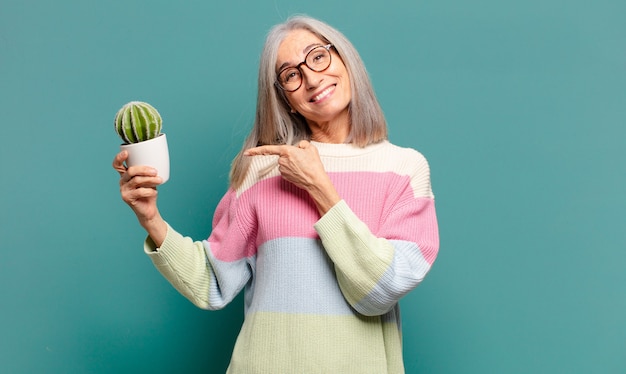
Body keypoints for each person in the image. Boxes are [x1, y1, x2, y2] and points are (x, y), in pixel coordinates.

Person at [113, 15, 439, 374]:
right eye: (291, 75)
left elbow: (380, 291)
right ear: (284, 99)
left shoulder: (404, 169)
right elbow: (211, 282)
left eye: (318, 57)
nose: (312, 79)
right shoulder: (262, 169)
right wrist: (150, 217)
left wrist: (319, 187)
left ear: (346, 60)